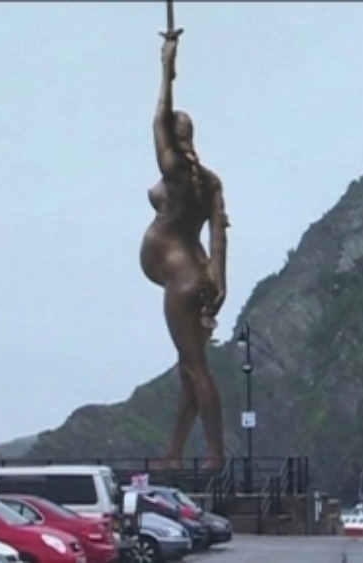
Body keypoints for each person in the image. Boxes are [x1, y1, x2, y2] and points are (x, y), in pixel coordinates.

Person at [140, 27, 230, 470]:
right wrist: (218, 278)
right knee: (189, 369)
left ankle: (215, 456)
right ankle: (175, 454)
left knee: (196, 368)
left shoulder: (174, 169)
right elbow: (218, 234)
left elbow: (158, 118)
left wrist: (166, 67)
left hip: (180, 278)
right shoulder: (209, 182)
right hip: (196, 270)